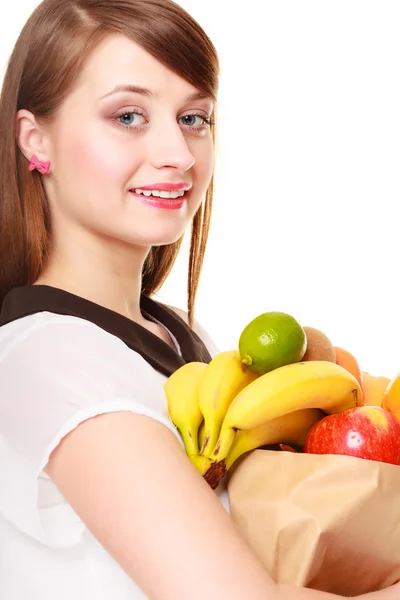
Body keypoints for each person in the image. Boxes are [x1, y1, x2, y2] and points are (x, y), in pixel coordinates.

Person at [0, 1, 398, 598]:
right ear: (37, 140)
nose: (180, 155)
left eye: (194, 118)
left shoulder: (185, 336)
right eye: (129, 115)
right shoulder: (49, 357)